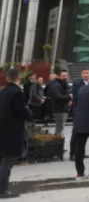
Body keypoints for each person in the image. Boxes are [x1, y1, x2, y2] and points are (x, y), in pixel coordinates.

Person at [0, 68, 32, 198]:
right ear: (19, 77)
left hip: (2, 130)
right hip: (12, 132)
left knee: (3, 160)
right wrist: (28, 113)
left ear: (7, 78)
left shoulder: (3, 92)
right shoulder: (17, 93)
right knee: (8, 162)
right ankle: (2, 190)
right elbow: (21, 111)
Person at [47, 71, 71, 136]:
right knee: (59, 128)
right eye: (63, 76)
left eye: (66, 75)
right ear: (59, 76)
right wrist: (69, 97)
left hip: (63, 109)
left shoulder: (63, 84)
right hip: (59, 110)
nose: (65, 77)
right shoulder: (57, 85)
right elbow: (57, 96)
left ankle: (58, 142)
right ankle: (57, 143)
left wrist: (69, 99)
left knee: (60, 128)